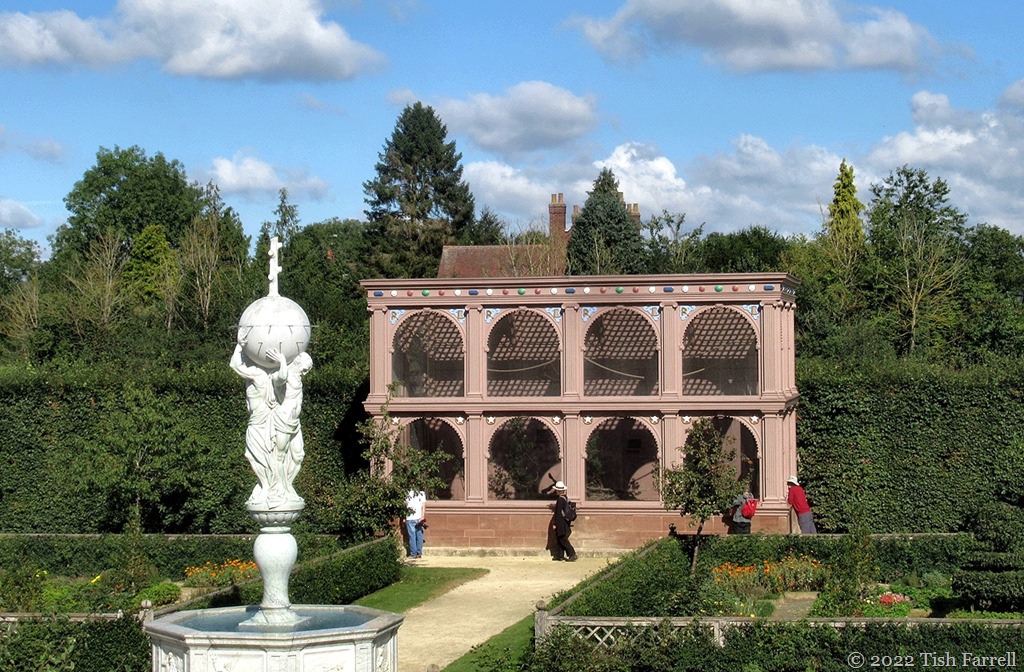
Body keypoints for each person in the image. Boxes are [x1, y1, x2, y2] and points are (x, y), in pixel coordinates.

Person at [551, 481, 577, 562]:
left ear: (558, 490)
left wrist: (555, 523)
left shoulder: (560, 500)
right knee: (560, 538)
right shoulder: (565, 498)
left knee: (562, 539)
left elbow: (558, 513)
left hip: (561, 523)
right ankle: (559, 555)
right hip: (565, 522)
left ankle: (572, 554)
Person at [405, 489, 427, 559]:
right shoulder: (422, 493)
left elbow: (405, 505)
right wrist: (422, 517)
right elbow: (423, 506)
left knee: (412, 536)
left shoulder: (407, 492)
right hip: (419, 518)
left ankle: (413, 554)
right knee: (419, 536)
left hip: (410, 517)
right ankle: (419, 552)